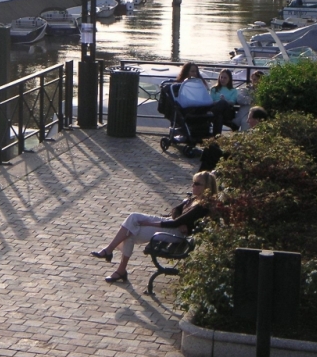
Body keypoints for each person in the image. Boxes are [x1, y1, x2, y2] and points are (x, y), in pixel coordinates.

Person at [90, 172, 218, 283]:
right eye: (193, 182)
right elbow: (175, 211)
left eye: (197, 184)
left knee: (130, 231)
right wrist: (180, 221)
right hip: (171, 225)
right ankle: (114, 258)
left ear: (206, 187)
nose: (193, 185)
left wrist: (152, 223)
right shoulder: (193, 199)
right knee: (132, 221)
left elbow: (174, 223)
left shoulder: (201, 206)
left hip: (175, 233)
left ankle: (115, 261)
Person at [199, 106, 269, 171]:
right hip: (235, 152)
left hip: (239, 158)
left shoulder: (260, 134)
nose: (247, 121)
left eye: (250, 118)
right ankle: (203, 176)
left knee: (212, 150)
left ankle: (203, 177)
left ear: (258, 119)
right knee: (211, 146)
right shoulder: (253, 131)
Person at [210, 69, 239, 134]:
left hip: (228, 111)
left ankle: (211, 116)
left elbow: (232, 102)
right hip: (217, 110)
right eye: (221, 77)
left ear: (229, 79)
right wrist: (219, 102)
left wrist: (224, 100)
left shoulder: (233, 90)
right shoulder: (214, 89)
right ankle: (216, 137)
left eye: (225, 78)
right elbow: (211, 101)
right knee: (219, 116)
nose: (222, 79)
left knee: (223, 103)